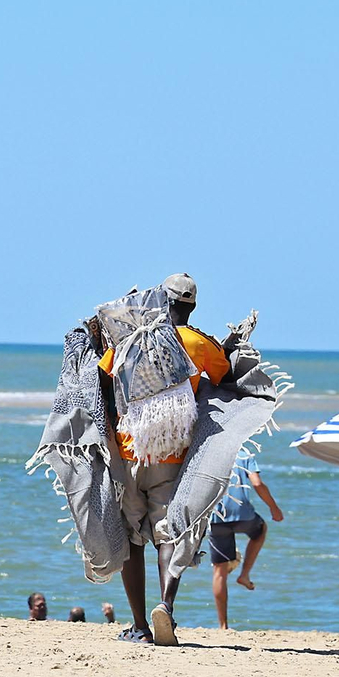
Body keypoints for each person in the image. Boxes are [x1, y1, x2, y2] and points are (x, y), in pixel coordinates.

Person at [98, 273, 231, 647]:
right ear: (192, 306)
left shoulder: (132, 340)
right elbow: (224, 378)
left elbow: (104, 376)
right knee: (167, 533)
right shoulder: (198, 344)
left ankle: (139, 625)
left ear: (161, 301)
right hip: (171, 455)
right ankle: (165, 606)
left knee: (129, 539)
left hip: (129, 451)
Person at [208, 451, 286, 629]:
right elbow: (257, 484)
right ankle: (244, 574)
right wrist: (274, 507)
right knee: (260, 530)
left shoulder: (210, 453)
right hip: (244, 515)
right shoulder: (244, 454)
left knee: (219, 571)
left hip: (216, 517)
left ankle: (223, 625)